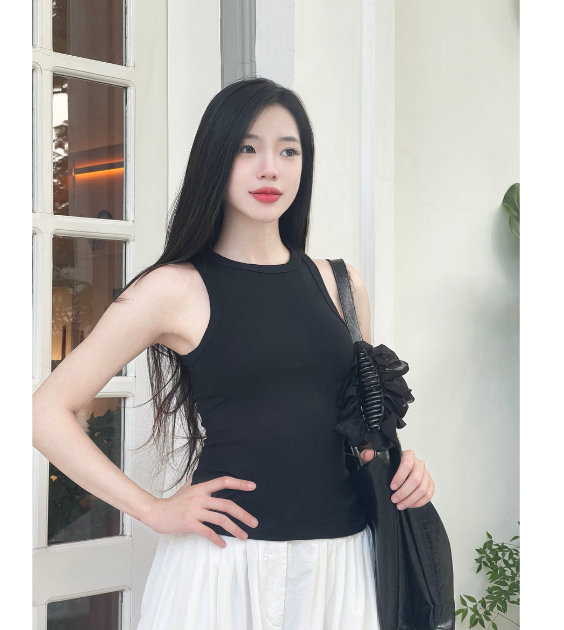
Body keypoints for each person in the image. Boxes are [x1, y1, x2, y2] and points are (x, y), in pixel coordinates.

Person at [32, 78, 436, 630]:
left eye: (288, 151)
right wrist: (153, 509)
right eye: (248, 148)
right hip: (225, 567)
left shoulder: (343, 285)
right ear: (216, 158)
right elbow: (45, 412)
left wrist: (405, 469)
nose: (270, 169)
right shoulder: (172, 290)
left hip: (342, 565)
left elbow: (363, 433)